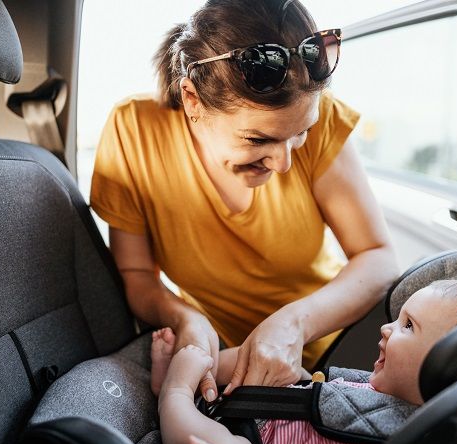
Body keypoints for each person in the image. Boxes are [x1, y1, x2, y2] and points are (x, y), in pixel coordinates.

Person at [89, 0, 398, 403]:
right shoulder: (134, 130)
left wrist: (295, 325)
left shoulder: (327, 121)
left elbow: (377, 257)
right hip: (231, 363)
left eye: (300, 133)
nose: (284, 163)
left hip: (343, 345)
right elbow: (137, 274)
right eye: (258, 139)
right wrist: (185, 318)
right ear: (192, 99)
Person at [154, 280, 457, 444]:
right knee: (283, 367)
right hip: (277, 407)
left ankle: (174, 391)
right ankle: (198, 370)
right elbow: (319, 392)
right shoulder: (380, 388)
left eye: (408, 326)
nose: (386, 328)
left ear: (445, 371)